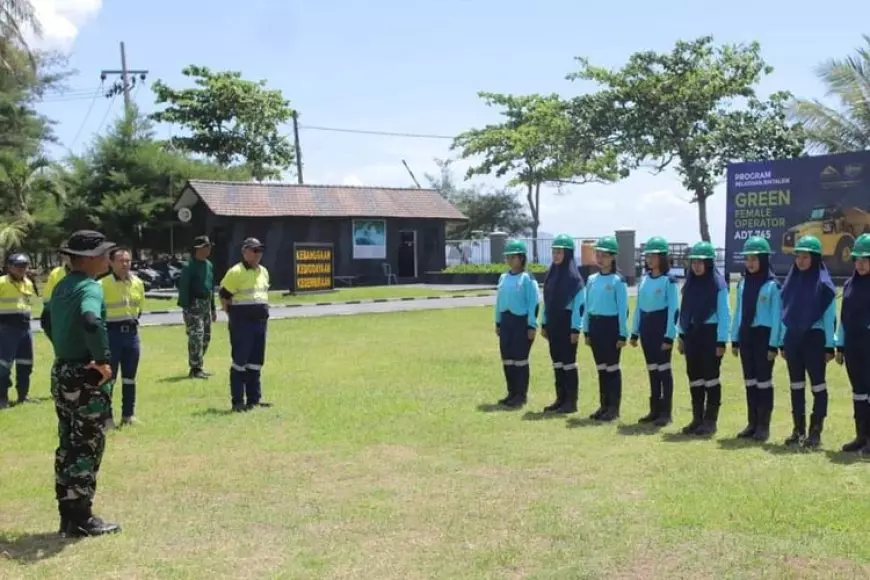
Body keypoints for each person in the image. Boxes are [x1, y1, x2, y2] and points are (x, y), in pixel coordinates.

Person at [48, 230, 120, 537]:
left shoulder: (62, 286)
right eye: (104, 254)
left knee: (68, 443)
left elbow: (45, 320)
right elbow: (91, 320)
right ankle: (82, 518)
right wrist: (102, 359)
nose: (108, 258)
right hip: (85, 375)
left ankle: (67, 514)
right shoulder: (91, 287)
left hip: (62, 370)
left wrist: (63, 347)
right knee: (87, 445)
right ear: (89, 259)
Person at [779, 234, 836, 449]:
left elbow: (830, 319)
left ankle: (815, 432)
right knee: (796, 385)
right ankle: (798, 430)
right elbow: (784, 313)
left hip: (815, 339)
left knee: (818, 386)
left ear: (815, 258)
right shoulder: (790, 282)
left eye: (805, 257)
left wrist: (830, 346)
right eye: (798, 256)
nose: (800, 261)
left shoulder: (824, 285)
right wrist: (783, 342)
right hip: (793, 338)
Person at [730, 236, 781, 442]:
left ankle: (763, 426)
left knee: (764, 382)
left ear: (764, 259)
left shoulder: (772, 286)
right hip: (746, 336)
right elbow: (739, 313)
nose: (750, 263)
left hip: (764, 336)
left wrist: (773, 344)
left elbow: (778, 318)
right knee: (750, 381)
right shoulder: (742, 284)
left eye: (754, 259)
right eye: (747, 259)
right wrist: (734, 339)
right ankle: (751, 423)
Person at [677, 241, 730, 436]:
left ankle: (710, 421)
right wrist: (681, 335)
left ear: (709, 263)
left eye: (701, 262)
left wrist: (721, 341)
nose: (697, 266)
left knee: (711, 378)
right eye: (694, 262)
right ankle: (697, 419)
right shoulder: (690, 284)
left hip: (710, 334)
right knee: (694, 377)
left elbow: (725, 314)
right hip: (691, 334)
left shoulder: (718, 284)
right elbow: (684, 312)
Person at [629, 236, 679, 426]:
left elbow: (674, 310)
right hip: (647, 331)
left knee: (664, 371)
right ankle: (654, 409)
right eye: (647, 256)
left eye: (653, 256)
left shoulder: (669, 281)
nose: (649, 259)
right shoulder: (644, 280)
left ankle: (666, 412)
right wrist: (634, 332)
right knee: (652, 370)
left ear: (663, 258)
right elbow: (639, 308)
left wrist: (669, 335)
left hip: (661, 329)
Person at [219, 237, 272, 412]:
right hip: (242, 324)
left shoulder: (263, 271)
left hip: (260, 323)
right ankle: (237, 401)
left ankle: (254, 399)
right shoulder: (235, 272)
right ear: (245, 252)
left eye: (260, 250)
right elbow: (224, 296)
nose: (258, 254)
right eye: (254, 250)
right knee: (240, 362)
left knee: (256, 362)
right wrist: (234, 316)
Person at [583, 235, 628, 422]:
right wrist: (586, 330)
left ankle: (613, 408)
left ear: (613, 257)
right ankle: (603, 405)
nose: (600, 258)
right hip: (596, 326)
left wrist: (622, 334)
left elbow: (623, 308)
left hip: (611, 327)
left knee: (612, 368)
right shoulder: (592, 279)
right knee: (601, 368)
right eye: (598, 254)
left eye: (604, 255)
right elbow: (587, 306)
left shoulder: (618, 280)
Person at [101, 248, 145, 427]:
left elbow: (139, 308)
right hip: (111, 334)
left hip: (132, 334)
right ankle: (107, 417)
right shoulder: (101, 285)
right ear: (110, 263)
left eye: (128, 260)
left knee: (130, 377)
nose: (125, 264)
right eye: (121, 260)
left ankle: (128, 415)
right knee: (108, 377)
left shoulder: (138, 283)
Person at [540, 235, 584, 414]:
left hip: (567, 325)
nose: (556, 255)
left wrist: (575, 328)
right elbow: (547, 300)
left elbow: (579, 305)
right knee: (557, 362)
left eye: (560, 252)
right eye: (554, 252)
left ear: (568, 254)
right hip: (553, 324)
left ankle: (570, 402)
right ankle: (560, 398)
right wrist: (544, 322)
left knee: (568, 363)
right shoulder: (551, 274)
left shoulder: (574, 279)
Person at [493, 240, 539, 409]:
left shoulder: (527, 278)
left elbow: (533, 303)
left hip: (521, 322)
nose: (510, 260)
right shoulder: (503, 277)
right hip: (506, 321)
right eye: (508, 257)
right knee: (507, 359)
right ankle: (511, 392)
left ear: (521, 258)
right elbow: (498, 302)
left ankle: (521, 395)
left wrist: (531, 326)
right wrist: (497, 321)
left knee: (520, 359)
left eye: (513, 257)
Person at [835, 233, 870, 453]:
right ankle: (861, 436)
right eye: (857, 259)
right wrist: (840, 345)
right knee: (858, 391)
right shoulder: (849, 284)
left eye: (865, 259)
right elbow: (844, 316)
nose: (860, 264)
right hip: (854, 345)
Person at [0, 253, 37, 409]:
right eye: (18, 266)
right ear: (9, 267)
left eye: (24, 266)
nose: (22, 269)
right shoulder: (1, 282)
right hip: (6, 328)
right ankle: (2, 398)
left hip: (25, 328)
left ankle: (23, 395)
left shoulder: (28, 283)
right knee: (3, 364)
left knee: (25, 362)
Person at [178, 236, 217, 379]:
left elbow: (211, 288)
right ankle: (195, 368)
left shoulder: (209, 265)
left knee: (206, 337)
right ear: (198, 249)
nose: (209, 249)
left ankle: (199, 363)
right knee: (196, 336)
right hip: (193, 304)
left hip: (206, 304)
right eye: (206, 246)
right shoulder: (189, 266)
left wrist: (213, 308)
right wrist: (186, 308)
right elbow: (184, 288)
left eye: (209, 246)